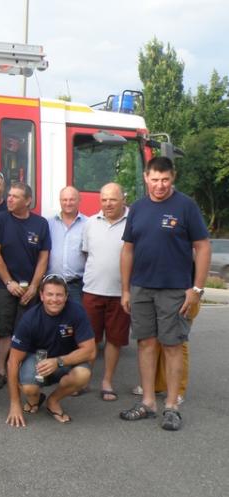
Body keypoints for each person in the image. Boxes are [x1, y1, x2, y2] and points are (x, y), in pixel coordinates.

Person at [119, 156, 210, 431]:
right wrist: (125, 289)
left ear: (173, 178)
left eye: (165, 180)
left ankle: (172, 406)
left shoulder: (186, 206)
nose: (160, 185)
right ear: (146, 177)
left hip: (174, 290)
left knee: (172, 346)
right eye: (155, 179)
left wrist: (197, 288)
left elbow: (203, 246)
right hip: (141, 288)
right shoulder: (137, 208)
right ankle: (148, 402)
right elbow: (128, 250)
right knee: (145, 344)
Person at [5, 275, 96, 427]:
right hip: (37, 359)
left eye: (59, 294)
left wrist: (58, 361)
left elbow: (90, 351)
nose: (54, 299)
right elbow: (12, 361)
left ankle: (53, 401)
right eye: (50, 294)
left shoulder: (77, 311)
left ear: (66, 296)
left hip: (65, 359)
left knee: (83, 374)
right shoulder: (29, 319)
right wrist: (15, 404)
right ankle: (35, 398)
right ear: (41, 295)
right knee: (29, 388)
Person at [0, 182, 50, 390]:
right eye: (9, 195)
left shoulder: (41, 223)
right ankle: (1, 370)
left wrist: (34, 287)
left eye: (15, 196)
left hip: (29, 287)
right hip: (3, 285)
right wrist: (8, 282)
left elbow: (43, 257)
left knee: (25, 330)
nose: (9, 199)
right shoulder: (0, 220)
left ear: (28, 201)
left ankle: (22, 370)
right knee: (3, 329)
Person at [81, 183, 130, 401]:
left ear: (123, 199)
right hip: (92, 290)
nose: (108, 204)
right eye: (104, 200)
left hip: (121, 293)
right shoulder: (90, 223)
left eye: (113, 199)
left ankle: (107, 381)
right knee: (89, 339)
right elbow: (86, 254)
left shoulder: (133, 223)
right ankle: (83, 380)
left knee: (115, 340)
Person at [47, 186, 87, 303]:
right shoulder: (48, 223)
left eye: (72, 199)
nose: (68, 203)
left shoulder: (88, 224)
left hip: (77, 285)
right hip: (51, 284)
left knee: (75, 319)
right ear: (60, 201)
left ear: (79, 200)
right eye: (64, 200)